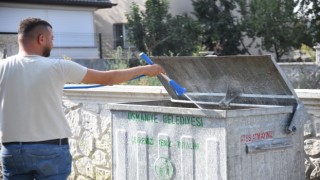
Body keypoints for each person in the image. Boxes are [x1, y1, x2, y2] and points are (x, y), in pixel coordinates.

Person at [0, 17, 165, 179]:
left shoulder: (2, 67)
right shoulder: (59, 67)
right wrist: (144, 70)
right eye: (52, 38)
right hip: (50, 149)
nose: (53, 43)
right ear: (41, 39)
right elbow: (107, 78)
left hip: (12, 151)